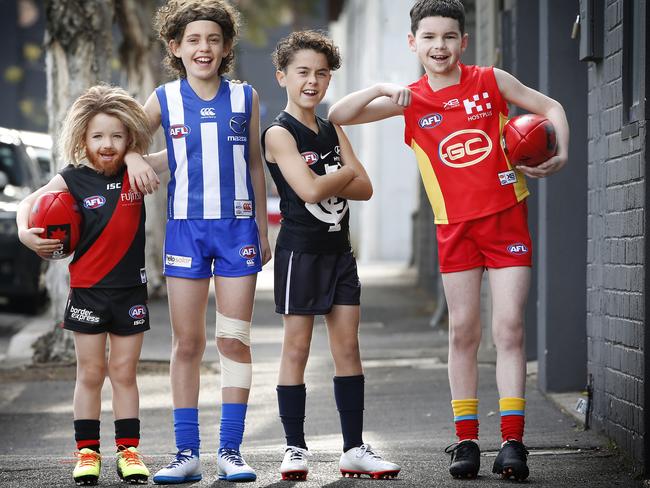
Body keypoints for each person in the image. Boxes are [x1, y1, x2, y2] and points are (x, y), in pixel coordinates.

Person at [328, 0, 570, 482]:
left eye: (449, 37)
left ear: (464, 41)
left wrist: (558, 154)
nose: (440, 46)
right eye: (430, 38)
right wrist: (380, 86)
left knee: (510, 330)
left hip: (506, 221)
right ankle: (466, 440)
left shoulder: (490, 80)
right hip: (454, 228)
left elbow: (551, 107)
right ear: (413, 43)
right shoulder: (409, 98)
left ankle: (513, 442)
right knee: (463, 332)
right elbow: (338, 112)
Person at [123, 0, 271, 483]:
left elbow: (253, 162)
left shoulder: (245, 96)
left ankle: (231, 451)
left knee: (234, 340)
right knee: (187, 342)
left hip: (238, 231)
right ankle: (186, 454)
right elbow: (123, 140)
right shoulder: (163, 98)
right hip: (186, 230)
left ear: (226, 46)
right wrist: (133, 160)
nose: (203, 48)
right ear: (175, 47)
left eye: (213, 39)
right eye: (193, 40)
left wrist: (263, 231)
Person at [263, 30, 401, 482]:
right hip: (300, 255)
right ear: (282, 75)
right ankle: (294, 448)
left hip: (340, 254)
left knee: (347, 347)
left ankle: (354, 449)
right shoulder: (279, 134)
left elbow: (365, 188)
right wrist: (341, 170)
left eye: (322, 73)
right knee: (297, 349)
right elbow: (307, 190)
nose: (312, 81)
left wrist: (335, 175)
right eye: (302, 72)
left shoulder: (333, 127)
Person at [16, 85, 155, 486]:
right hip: (88, 292)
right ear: (82, 139)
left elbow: (173, 158)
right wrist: (26, 233)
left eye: (117, 135)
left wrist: (135, 157)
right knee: (91, 373)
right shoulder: (73, 179)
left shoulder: (139, 172)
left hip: (130, 291)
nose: (107, 144)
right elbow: (29, 202)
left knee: (125, 372)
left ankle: (129, 452)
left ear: (129, 136)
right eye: (98, 136)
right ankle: (87, 453)